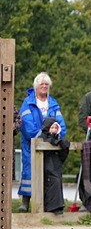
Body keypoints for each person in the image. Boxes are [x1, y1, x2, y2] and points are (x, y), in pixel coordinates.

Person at [18, 72, 68, 213]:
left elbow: (61, 124)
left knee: (50, 172)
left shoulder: (53, 103)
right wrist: (40, 136)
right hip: (31, 144)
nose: (44, 86)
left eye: (47, 84)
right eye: (42, 84)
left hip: (51, 145)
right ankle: (26, 201)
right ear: (36, 86)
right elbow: (26, 124)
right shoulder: (28, 103)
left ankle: (49, 203)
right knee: (29, 171)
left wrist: (57, 133)